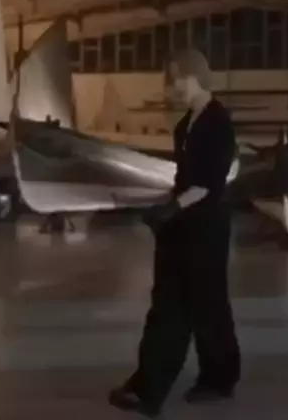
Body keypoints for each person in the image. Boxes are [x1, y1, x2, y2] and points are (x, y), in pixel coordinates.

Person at [108, 49, 241, 418]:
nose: (175, 87)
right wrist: (163, 206)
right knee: (167, 305)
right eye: (172, 80)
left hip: (206, 226)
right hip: (181, 224)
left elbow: (209, 183)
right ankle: (147, 386)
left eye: (179, 78)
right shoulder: (185, 125)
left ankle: (219, 378)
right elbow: (185, 180)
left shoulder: (218, 123)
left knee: (207, 306)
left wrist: (171, 209)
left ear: (197, 75)